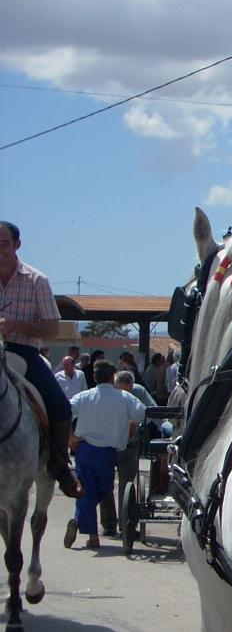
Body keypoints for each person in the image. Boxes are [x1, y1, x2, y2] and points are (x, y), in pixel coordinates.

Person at [0, 220, 82, 496]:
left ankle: (59, 464)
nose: (0, 250)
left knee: (59, 405)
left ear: (16, 245)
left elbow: (52, 327)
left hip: (22, 352)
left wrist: (15, 325)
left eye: (4, 244)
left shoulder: (36, 280)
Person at [64, 361, 141, 549]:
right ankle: (92, 536)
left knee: (86, 490)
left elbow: (64, 411)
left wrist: (70, 437)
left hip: (84, 449)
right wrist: (131, 427)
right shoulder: (124, 398)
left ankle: (79, 520)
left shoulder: (84, 396)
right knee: (103, 489)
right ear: (113, 376)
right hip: (107, 451)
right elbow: (143, 414)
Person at [98, 370, 151, 535]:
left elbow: (151, 411)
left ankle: (125, 524)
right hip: (107, 443)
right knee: (105, 483)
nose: (126, 394)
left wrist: (139, 423)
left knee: (126, 485)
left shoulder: (140, 392)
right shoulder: (106, 394)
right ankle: (108, 524)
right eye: (122, 390)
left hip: (129, 444)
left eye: (128, 390)